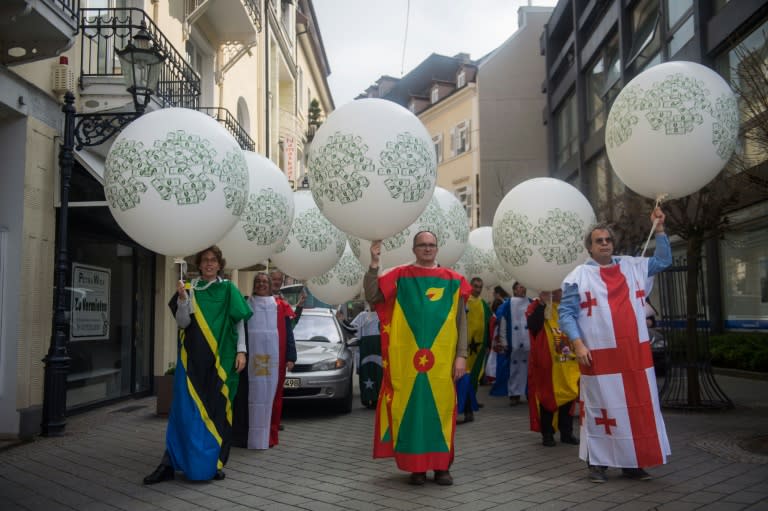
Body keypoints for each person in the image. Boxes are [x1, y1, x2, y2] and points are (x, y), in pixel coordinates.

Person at [559, 207, 672, 483]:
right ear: (590, 247)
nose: (605, 243)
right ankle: (597, 463)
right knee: (601, 411)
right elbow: (566, 313)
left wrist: (659, 230)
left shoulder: (631, 266)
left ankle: (632, 462)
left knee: (635, 407)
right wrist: (578, 343)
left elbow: (664, 261)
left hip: (634, 357)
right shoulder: (578, 276)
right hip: (599, 357)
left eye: (608, 239)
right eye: (599, 240)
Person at [364, 230, 471, 487]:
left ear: (437, 248)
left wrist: (461, 356)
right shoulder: (401, 276)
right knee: (412, 413)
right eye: (422, 245)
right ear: (414, 249)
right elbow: (372, 295)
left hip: (443, 363)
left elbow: (461, 321)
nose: (427, 249)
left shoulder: (453, 281)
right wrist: (374, 264)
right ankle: (417, 467)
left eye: (431, 245)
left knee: (443, 412)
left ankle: (442, 467)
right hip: (407, 364)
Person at [144, 246, 252, 484]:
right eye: (205, 261)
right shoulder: (190, 289)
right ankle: (170, 463)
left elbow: (238, 323)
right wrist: (183, 300)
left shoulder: (228, 289)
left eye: (213, 260)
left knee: (217, 410)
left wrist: (242, 351)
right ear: (199, 264)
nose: (209, 264)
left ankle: (214, 463)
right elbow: (183, 324)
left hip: (220, 361)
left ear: (219, 264)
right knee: (184, 411)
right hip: (191, 360)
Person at [232, 273, 296, 449]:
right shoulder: (246, 304)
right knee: (245, 398)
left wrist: (291, 355)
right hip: (250, 360)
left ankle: (267, 435)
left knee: (270, 398)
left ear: (270, 286)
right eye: (258, 282)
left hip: (272, 361)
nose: (261, 284)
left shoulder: (280, 306)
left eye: (264, 282)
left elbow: (288, 332)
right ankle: (243, 436)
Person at [526, 289, 580, 447]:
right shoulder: (536, 306)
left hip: (568, 362)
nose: (560, 291)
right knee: (547, 398)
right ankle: (547, 433)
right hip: (548, 366)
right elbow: (533, 325)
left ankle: (567, 432)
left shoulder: (569, 306)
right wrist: (543, 303)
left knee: (569, 396)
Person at [267, 268, 299, 442]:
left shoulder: (283, 302)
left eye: (279, 279)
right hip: (261, 356)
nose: (277, 282)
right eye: (274, 279)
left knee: (276, 393)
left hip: (278, 356)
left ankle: (273, 425)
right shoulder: (255, 300)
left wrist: (290, 356)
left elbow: (289, 329)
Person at [456, 277, 491, 424]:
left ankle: (469, 407)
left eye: (480, 287)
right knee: (463, 377)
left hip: (476, 348)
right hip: (460, 346)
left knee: (470, 376)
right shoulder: (462, 300)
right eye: (475, 286)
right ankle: (465, 408)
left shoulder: (483, 304)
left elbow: (490, 323)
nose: (477, 289)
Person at [492, 282, 530, 405]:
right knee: (514, 369)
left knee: (529, 369)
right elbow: (502, 322)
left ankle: (529, 392)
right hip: (513, 341)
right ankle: (514, 394)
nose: (522, 289)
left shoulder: (530, 302)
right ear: (514, 290)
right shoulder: (508, 304)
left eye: (523, 286)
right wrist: (503, 340)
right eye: (519, 287)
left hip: (528, 342)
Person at [349, 307, 382, 409]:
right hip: (366, 350)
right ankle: (367, 398)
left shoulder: (384, 314)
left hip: (379, 348)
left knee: (379, 373)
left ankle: (378, 399)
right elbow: (352, 329)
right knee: (367, 373)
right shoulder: (362, 316)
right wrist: (342, 321)